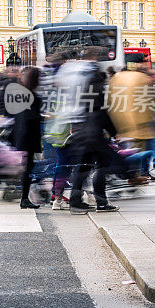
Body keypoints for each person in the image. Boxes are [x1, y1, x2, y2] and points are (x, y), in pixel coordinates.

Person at [56, 49, 119, 215]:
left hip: (80, 126)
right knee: (102, 166)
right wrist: (113, 131)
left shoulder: (79, 80)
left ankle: (76, 202)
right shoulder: (94, 81)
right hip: (93, 131)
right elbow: (101, 110)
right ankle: (101, 202)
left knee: (83, 167)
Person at [10, 67, 42, 209]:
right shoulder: (33, 96)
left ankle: (24, 197)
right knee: (28, 168)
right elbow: (32, 117)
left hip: (20, 135)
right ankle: (24, 198)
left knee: (26, 168)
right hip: (28, 136)